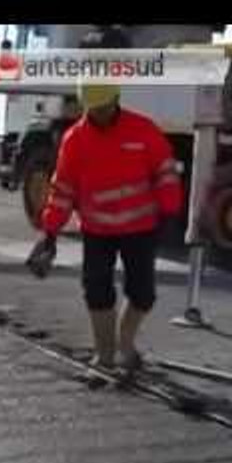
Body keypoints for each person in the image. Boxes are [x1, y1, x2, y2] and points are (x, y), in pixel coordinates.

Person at [31, 83, 183, 371]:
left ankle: (125, 344)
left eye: (103, 106)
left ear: (116, 99)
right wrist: (49, 232)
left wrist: (169, 211)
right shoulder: (75, 139)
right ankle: (104, 355)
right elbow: (62, 190)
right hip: (97, 230)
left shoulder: (142, 130)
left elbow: (165, 172)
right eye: (92, 108)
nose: (98, 113)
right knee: (96, 290)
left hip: (140, 227)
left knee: (143, 293)